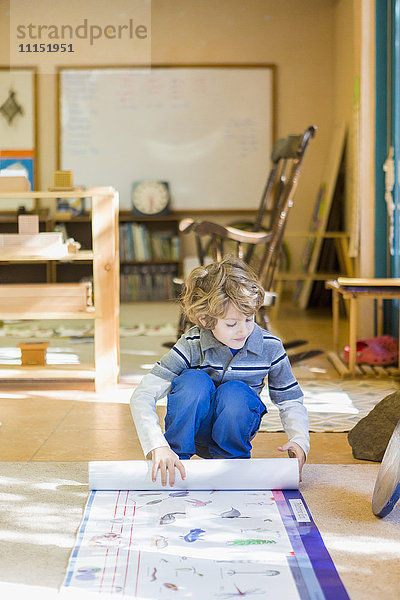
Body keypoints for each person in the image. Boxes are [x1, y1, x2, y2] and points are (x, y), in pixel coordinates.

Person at [130, 256, 309, 486]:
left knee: (235, 391)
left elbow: (290, 401)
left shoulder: (270, 346)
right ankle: (175, 459)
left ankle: (232, 461)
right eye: (231, 324)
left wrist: (299, 441)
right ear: (206, 319)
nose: (243, 331)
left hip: (235, 426)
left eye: (249, 319)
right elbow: (142, 395)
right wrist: (158, 446)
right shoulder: (192, 342)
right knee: (194, 381)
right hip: (191, 430)